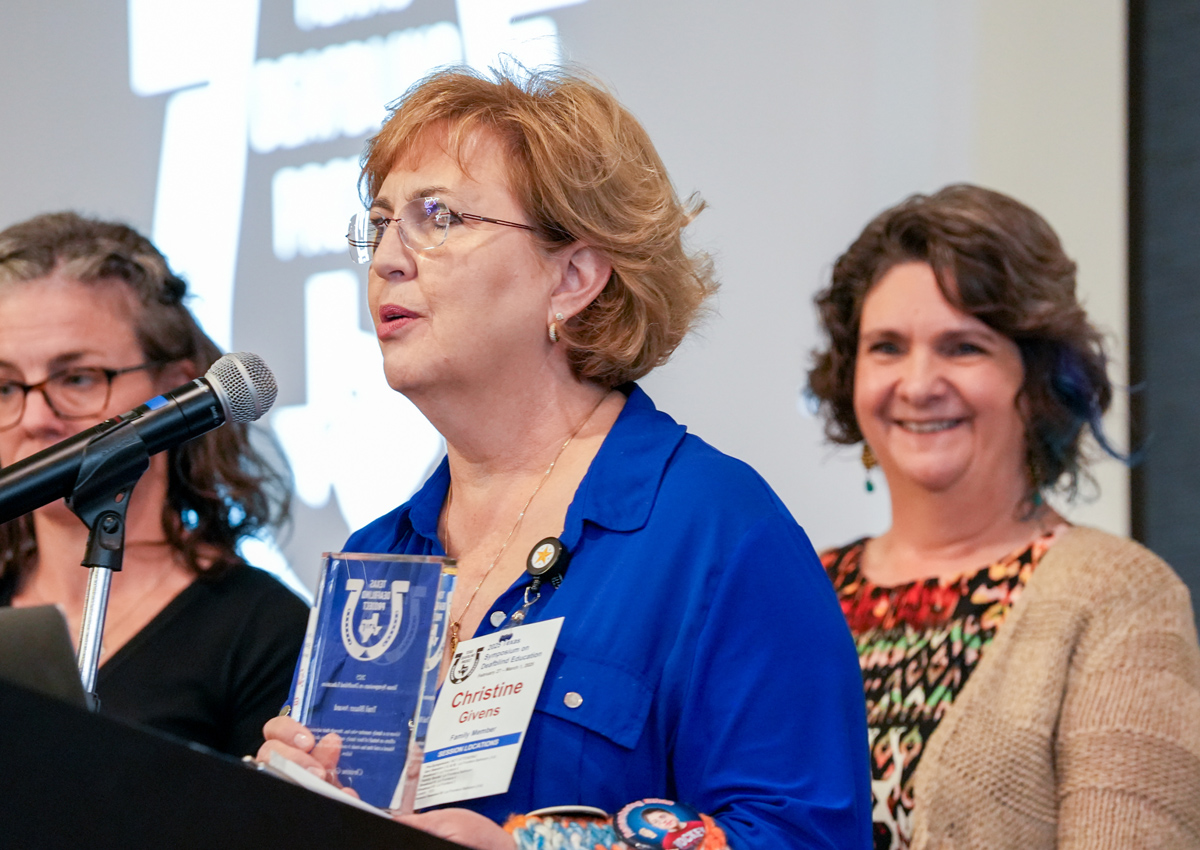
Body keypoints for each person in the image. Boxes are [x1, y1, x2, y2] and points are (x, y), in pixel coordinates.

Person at [260, 66, 872, 849]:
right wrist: (288, 796)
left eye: (436, 216)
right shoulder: (376, 558)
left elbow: (802, 837)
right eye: (379, 224)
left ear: (573, 277)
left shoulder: (716, 532)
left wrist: (532, 849)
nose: (386, 258)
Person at [807, 183, 1200, 849]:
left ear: (1041, 378)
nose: (919, 382)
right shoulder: (802, 589)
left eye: (964, 347)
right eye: (887, 347)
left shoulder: (1121, 595)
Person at [0, 212, 309, 757]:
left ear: (173, 389)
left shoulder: (263, 630)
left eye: (77, 378)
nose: (33, 418)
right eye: (4, 387)